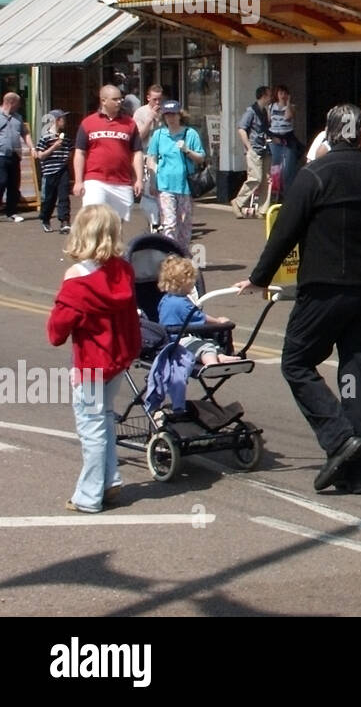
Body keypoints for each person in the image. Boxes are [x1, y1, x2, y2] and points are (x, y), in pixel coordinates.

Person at [237, 104, 361, 495]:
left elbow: (285, 233)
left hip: (325, 288)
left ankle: (338, 438)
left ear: (329, 134)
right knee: (357, 368)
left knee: (296, 361)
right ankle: (356, 470)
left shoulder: (314, 175)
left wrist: (260, 278)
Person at [46, 205, 140, 512]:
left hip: (91, 364)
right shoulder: (124, 270)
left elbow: (57, 332)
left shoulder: (76, 278)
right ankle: (110, 479)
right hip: (118, 358)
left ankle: (89, 496)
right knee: (104, 419)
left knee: (91, 428)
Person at [73, 84, 144, 222]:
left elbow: (137, 153)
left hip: (122, 182)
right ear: (103, 100)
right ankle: (93, 245)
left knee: (116, 225)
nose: (119, 102)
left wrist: (139, 179)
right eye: (115, 99)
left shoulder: (129, 123)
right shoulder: (88, 123)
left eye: (120, 99)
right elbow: (80, 153)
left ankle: (112, 245)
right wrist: (78, 181)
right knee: (94, 221)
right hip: (95, 180)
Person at [155, 255, 241, 365]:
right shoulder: (181, 303)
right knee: (206, 347)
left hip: (168, 339)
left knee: (209, 342)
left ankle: (220, 356)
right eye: (191, 282)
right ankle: (211, 363)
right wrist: (218, 321)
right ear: (184, 282)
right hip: (178, 341)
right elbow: (201, 318)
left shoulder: (165, 299)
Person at [147, 101, 205, 252]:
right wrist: (153, 182)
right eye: (167, 115)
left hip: (185, 186)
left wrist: (187, 150)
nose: (170, 118)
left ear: (180, 115)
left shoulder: (190, 134)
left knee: (184, 224)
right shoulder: (158, 135)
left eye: (173, 114)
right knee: (169, 223)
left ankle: (183, 253)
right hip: (165, 185)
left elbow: (201, 158)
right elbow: (151, 158)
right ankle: (169, 255)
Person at [232, 86, 272, 219]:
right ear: (263, 96)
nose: (271, 97)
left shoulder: (264, 111)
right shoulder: (250, 111)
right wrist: (249, 147)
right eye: (269, 94)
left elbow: (265, 129)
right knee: (255, 178)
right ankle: (238, 202)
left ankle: (262, 209)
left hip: (265, 148)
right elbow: (241, 129)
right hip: (254, 148)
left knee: (266, 179)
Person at [34, 109, 72, 234]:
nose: (65, 122)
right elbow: (40, 156)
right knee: (49, 198)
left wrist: (67, 157)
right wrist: (54, 147)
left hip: (63, 170)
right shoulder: (45, 137)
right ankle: (45, 218)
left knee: (64, 196)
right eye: (63, 119)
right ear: (56, 120)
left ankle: (64, 221)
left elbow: (70, 151)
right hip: (50, 171)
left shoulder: (65, 137)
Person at [133, 85, 164, 232]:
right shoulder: (140, 113)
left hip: (163, 157)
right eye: (155, 99)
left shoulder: (165, 112)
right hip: (146, 155)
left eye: (160, 99)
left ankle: (158, 222)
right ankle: (154, 222)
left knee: (161, 190)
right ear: (148, 98)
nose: (158, 103)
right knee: (149, 191)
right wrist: (150, 120)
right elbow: (138, 137)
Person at [0, 92, 35, 222]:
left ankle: (11, 212)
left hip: (15, 155)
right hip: (1, 155)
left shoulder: (18, 118)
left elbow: (25, 134)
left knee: (14, 184)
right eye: (18, 103)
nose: (20, 106)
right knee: (1, 182)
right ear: (11, 103)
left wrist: (32, 147)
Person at [268, 84, 300, 197]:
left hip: (288, 138)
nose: (283, 95)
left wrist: (288, 103)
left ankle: (288, 193)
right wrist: (271, 137)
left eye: (285, 93)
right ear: (277, 94)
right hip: (275, 139)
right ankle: (275, 192)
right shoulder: (271, 107)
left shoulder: (291, 106)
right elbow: (268, 122)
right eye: (280, 93)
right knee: (275, 168)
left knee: (288, 168)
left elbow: (288, 117)